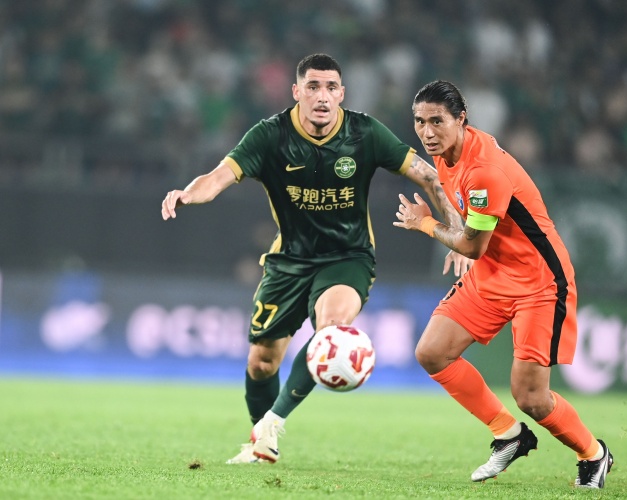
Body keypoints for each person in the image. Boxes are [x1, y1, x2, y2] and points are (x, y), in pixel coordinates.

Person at [161, 54, 469, 464]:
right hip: (289, 260)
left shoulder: (364, 132)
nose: (322, 96)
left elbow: (429, 176)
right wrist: (187, 193)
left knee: (331, 330)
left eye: (330, 88)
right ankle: (260, 442)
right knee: (261, 362)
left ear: (341, 94)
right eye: (313, 87)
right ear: (297, 92)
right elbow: (219, 176)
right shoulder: (270, 136)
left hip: (347, 257)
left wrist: (457, 235)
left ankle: (272, 424)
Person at [393, 80, 614, 488]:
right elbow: (468, 224)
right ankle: (509, 435)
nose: (427, 132)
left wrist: (425, 224)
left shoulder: (485, 171)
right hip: (492, 273)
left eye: (437, 121)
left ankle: (594, 454)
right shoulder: (448, 153)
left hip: (539, 283)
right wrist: (457, 230)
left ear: (461, 119)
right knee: (432, 352)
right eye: (419, 121)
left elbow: (473, 245)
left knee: (531, 397)